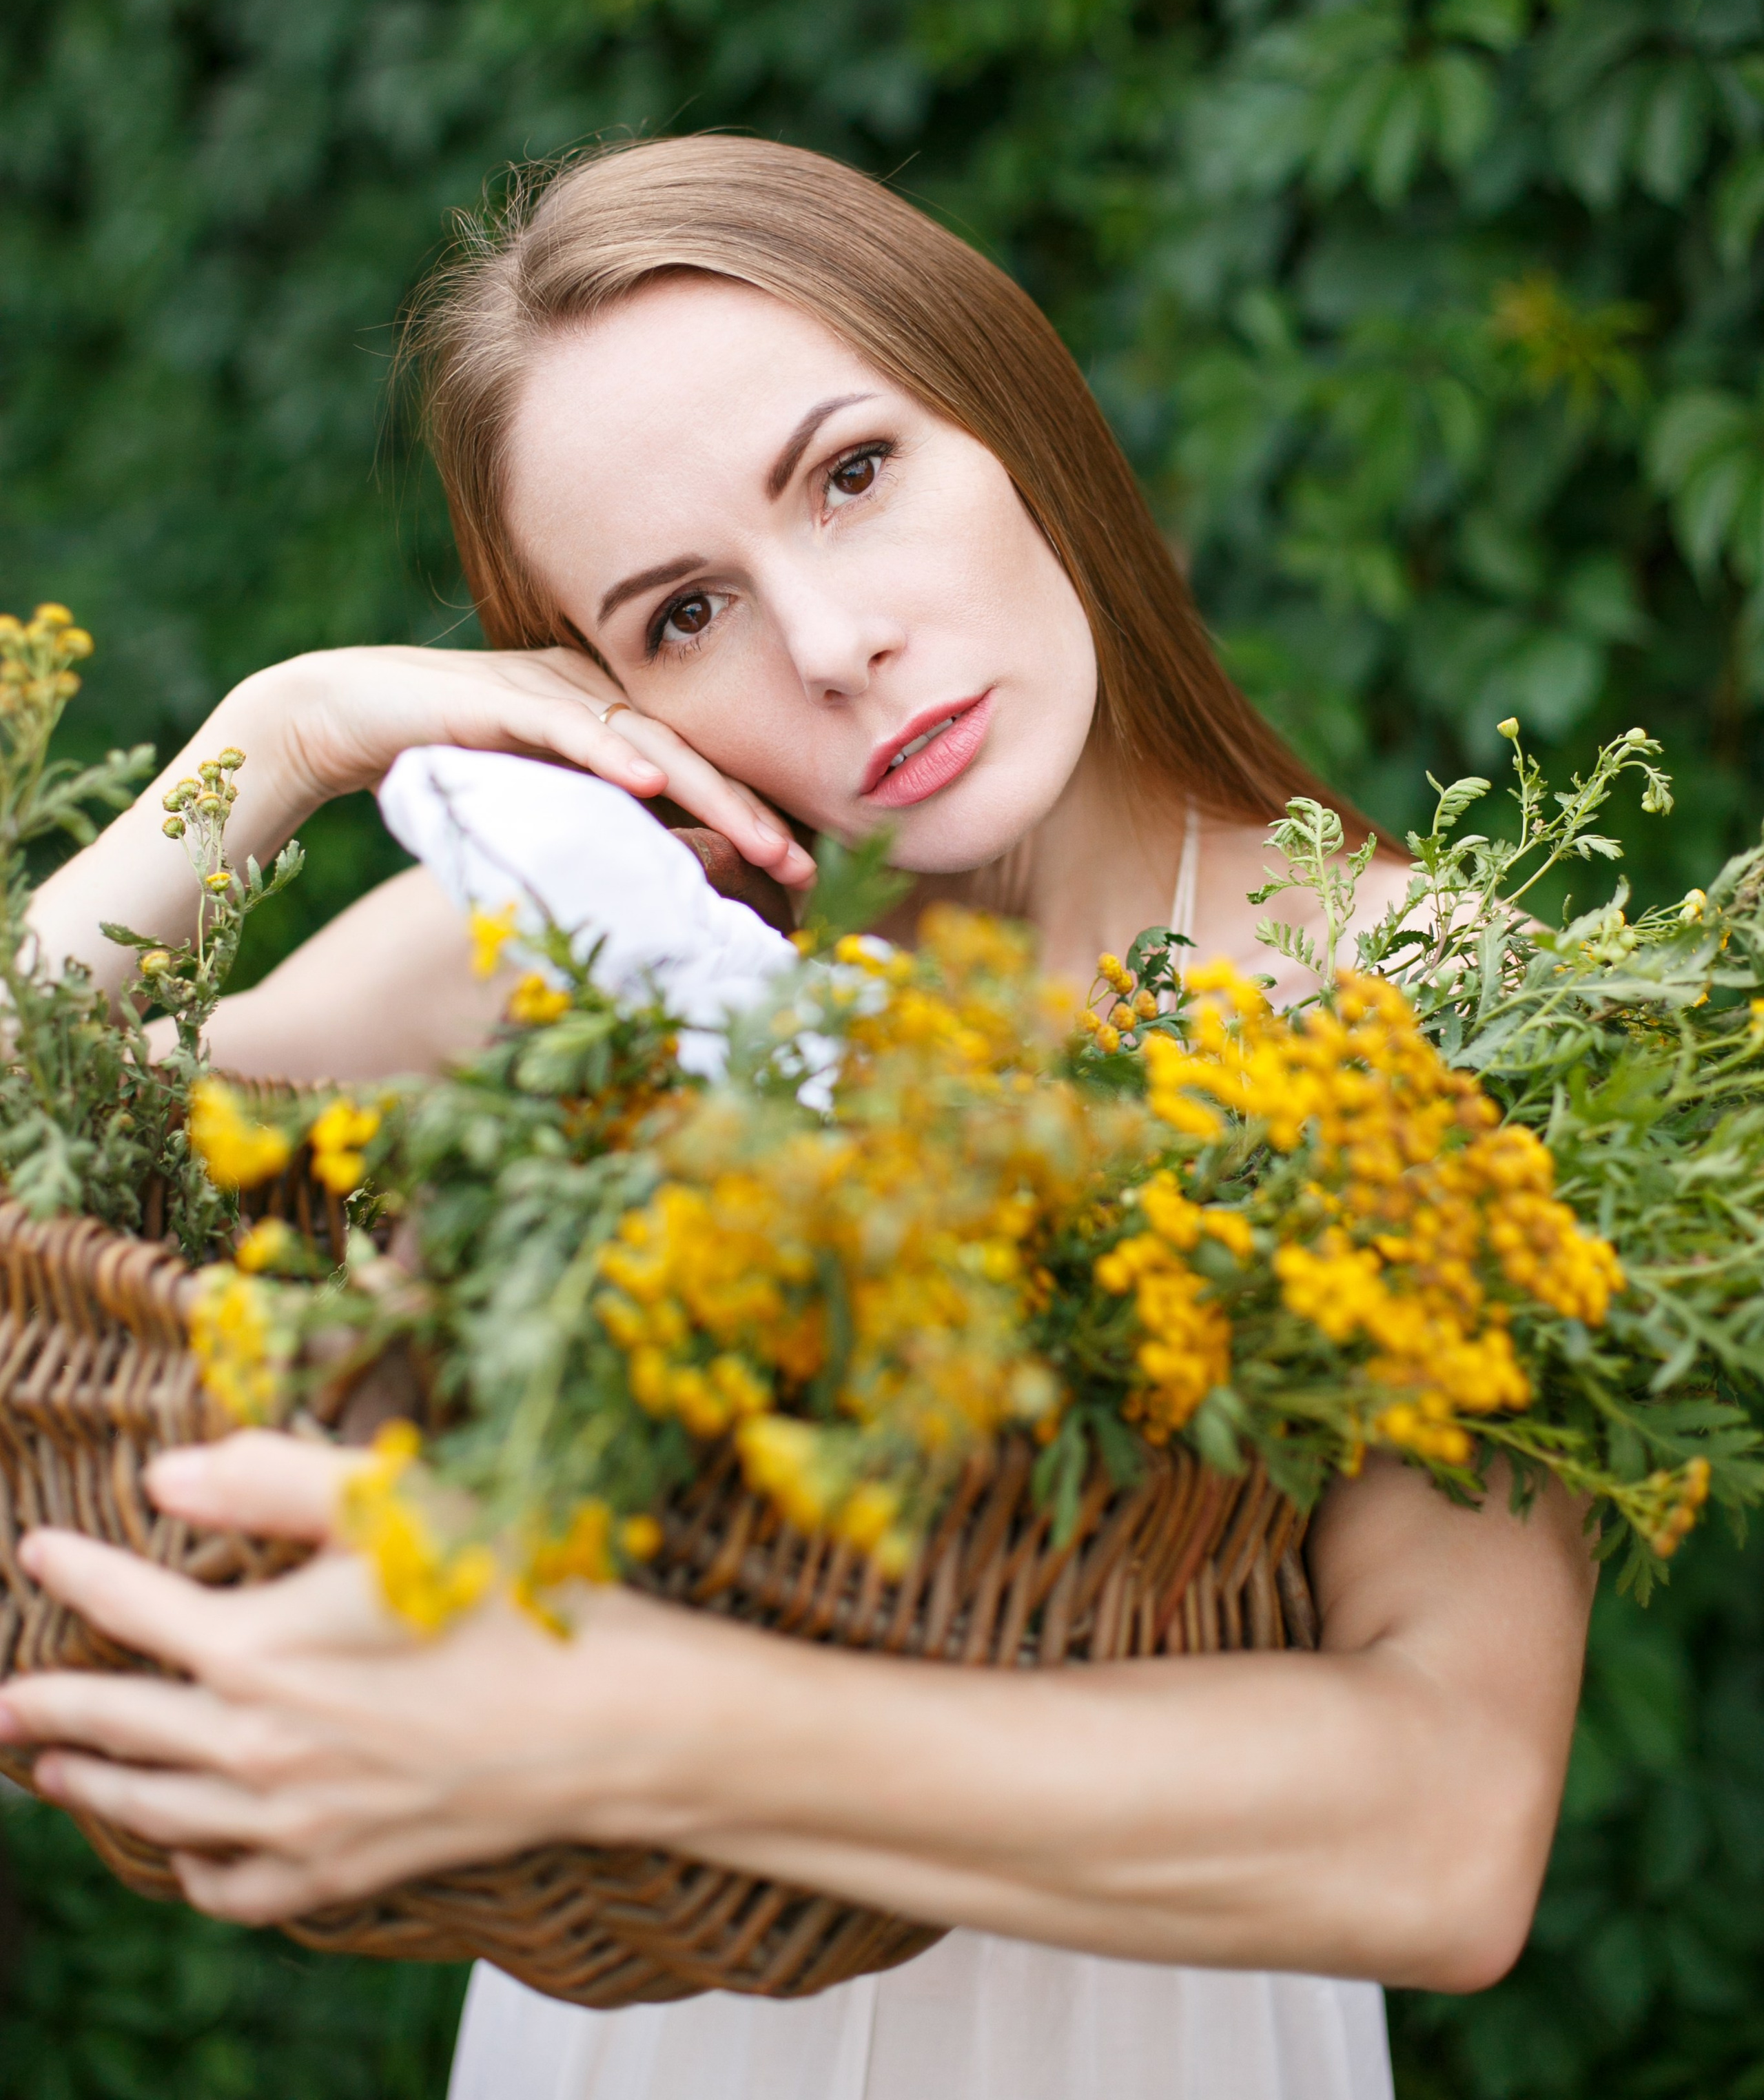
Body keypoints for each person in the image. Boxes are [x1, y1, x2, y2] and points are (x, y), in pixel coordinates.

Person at [1, 137, 1594, 2100]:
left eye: (852, 473)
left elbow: (1445, 1829)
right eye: (684, 613)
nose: (832, 644)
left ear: (1007, 409)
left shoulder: (1438, 1001)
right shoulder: (589, 964)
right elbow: (39, 1129)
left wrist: (606, 1711)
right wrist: (282, 735)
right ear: (602, 687)